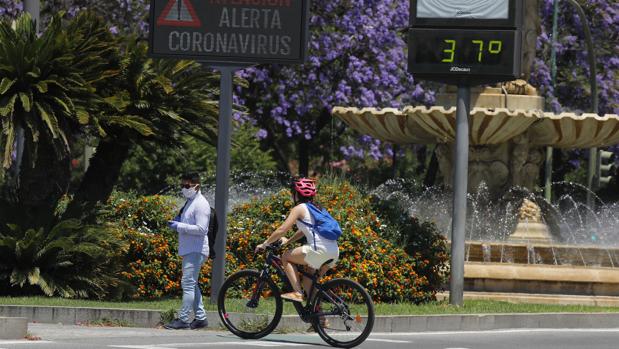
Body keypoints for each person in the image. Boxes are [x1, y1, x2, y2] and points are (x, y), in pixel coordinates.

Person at [255, 178, 339, 303]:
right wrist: (288, 241)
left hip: (318, 250)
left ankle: (298, 293)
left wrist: (265, 243)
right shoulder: (318, 208)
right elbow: (303, 231)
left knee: (286, 256)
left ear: (295, 194)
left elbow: (282, 229)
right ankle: (320, 319)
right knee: (308, 283)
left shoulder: (299, 208)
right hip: (333, 251)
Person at [164, 172, 211, 330]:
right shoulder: (190, 202)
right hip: (191, 249)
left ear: (196, 186)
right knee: (192, 283)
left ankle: (183, 319)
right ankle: (201, 318)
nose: (184, 188)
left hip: (196, 250)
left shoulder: (201, 204)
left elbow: (201, 229)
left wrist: (179, 226)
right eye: (182, 185)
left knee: (188, 284)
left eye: (187, 186)